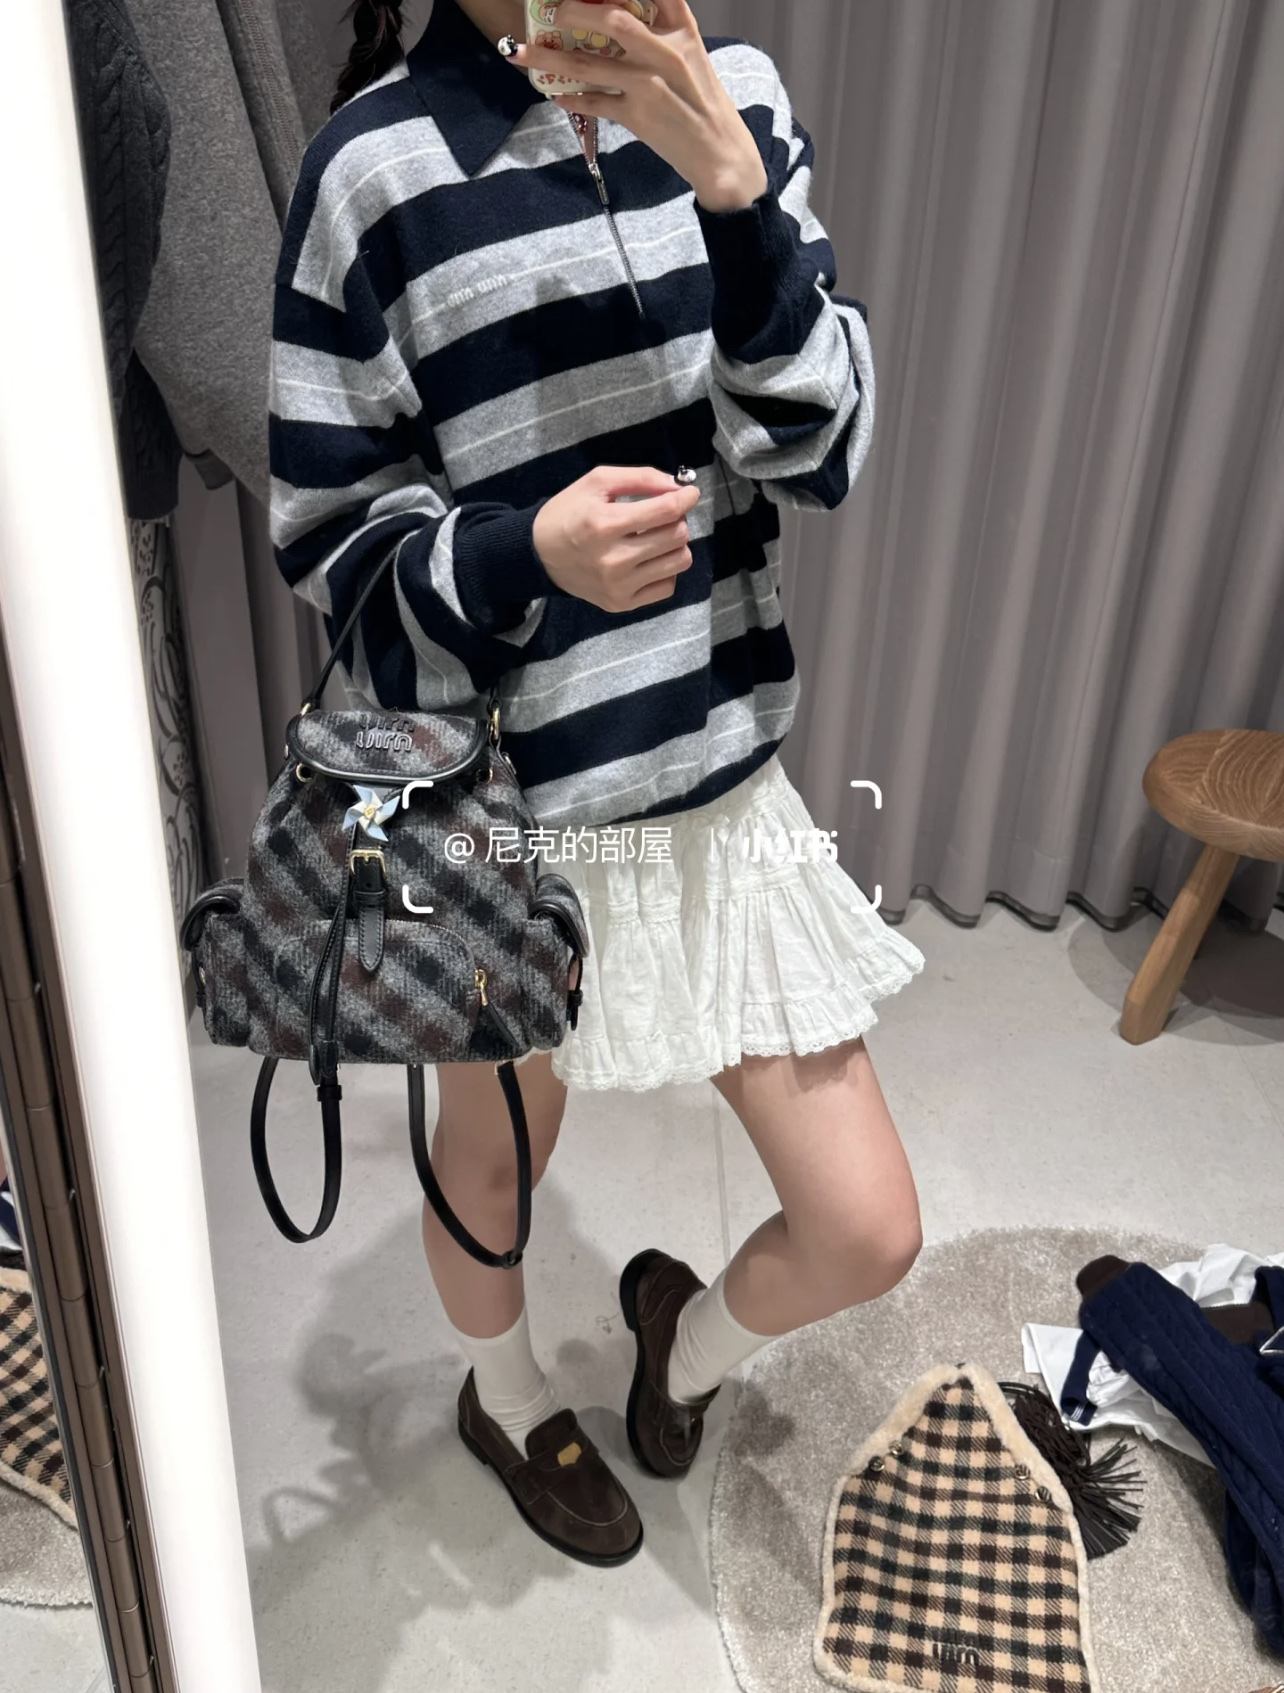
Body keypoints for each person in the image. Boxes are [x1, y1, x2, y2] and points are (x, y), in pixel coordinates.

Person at [269, 0, 927, 1567]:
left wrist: (737, 201)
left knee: (867, 1225)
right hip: (507, 808)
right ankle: (504, 1396)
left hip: (708, 780)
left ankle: (677, 1346)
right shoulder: (370, 170)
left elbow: (823, 450)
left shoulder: (733, 95)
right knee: (495, 1162)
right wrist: (524, 556)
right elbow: (331, 540)